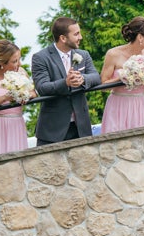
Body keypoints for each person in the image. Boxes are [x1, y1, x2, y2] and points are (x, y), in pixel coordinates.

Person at [31, 17, 101, 145]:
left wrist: (83, 79)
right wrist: (66, 83)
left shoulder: (83, 55)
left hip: (81, 128)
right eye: (76, 34)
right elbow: (42, 87)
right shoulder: (40, 57)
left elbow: (96, 77)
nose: (80, 37)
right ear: (63, 38)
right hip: (53, 129)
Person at [100, 16, 144, 132]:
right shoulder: (113, 54)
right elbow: (103, 86)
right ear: (140, 37)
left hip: (140, 105)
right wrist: (122, 78)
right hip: (117, 106)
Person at [0, 40, 33, 156]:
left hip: (16, 123)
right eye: (15, 61)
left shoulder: (21, 72)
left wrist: (24, 95)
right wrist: (5, 97)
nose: (19, 64)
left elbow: (33, 93)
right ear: (3, 62)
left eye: (19, 59)